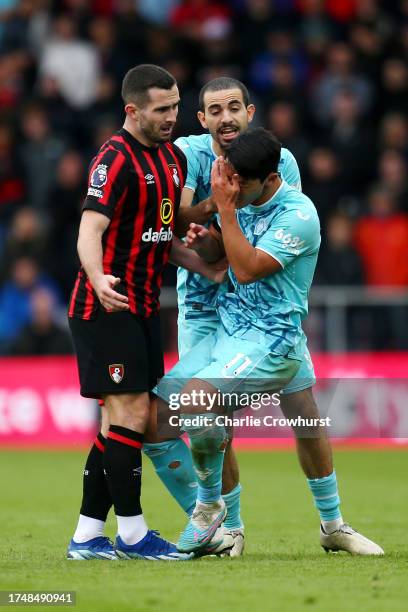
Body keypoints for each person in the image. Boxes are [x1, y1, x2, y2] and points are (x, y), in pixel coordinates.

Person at [153, 128, 384, 556]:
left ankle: (211, 510)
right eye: (230, 178)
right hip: (233, 333)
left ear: (271, 179)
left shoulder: (298, 214)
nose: (232, 187)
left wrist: (222, 211)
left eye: (241, 181)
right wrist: (207, 244)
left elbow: (247, 267)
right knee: (155, 420)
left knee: (206, 404)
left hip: (273, 339)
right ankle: (239, 530)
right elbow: (224, 258)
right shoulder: (242, 199)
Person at [67, 64, 223, 562]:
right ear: (132, 110)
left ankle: (89, 536)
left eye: (176, 106)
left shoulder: (173, 159)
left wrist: (208, 262)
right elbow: (90, 231)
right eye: (162, 109)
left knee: (115, 423)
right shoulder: (112, 159)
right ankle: (133, 536)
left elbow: (163, 235)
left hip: (144, 308)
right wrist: (97, 278)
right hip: (105, 304)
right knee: (131, 412)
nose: (172, 117)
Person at [143, 76, 301, 558]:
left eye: (235, 107)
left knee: (305, 412)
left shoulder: (281, 162)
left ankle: (331, 520)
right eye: (216, 109)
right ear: (203, 119)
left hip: (262, 312)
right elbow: (175, 222)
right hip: (202, 307)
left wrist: (216, 216)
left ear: (250, 112)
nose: (226, 116)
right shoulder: (188, 153)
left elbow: (262, 235)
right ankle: (219, 522)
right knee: (176, 415)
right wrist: (215, 206)